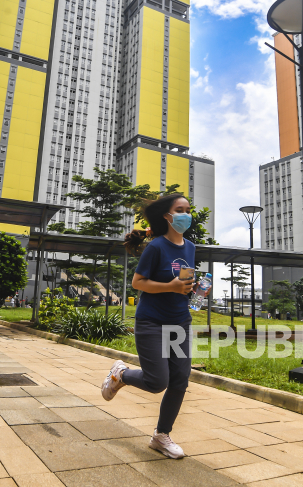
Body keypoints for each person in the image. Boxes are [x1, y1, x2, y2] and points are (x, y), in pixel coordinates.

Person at [101, 193, 197, 459]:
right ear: (167, 216)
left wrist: (194, 289)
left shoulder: (190, 247)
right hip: (152, 320)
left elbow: (182, 286)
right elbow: (138, 282)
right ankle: (120, 374)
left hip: (180, 321)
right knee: (157, 382)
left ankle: (161, 435)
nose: (186, 214)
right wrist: (170, 286)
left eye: (188, 209)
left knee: (179, 380)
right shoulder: (155, 247)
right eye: (180, 210)